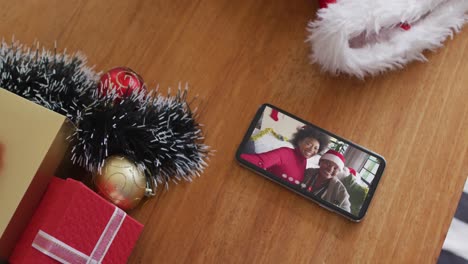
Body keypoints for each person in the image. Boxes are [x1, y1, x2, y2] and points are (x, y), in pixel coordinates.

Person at [240, 126, 330, 184]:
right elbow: (259, 162)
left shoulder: (304, 163)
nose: (311, 150)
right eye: (309, 144)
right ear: (299, 141)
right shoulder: (285, 153)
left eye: (315, 148)